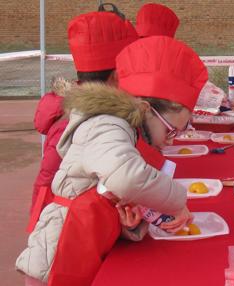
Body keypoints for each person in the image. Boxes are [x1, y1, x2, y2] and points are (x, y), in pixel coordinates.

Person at [16, 36, 208, 286]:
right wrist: (177, 201)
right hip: (58, 252)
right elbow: (127, 177)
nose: (172, 140)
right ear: (147, 109)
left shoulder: (124, 130)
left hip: (85, 243)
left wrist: (129, 226)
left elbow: (106, 190)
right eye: (172, 130)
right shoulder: (108, 124)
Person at [28, 8, 139, 229]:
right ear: (117, 77)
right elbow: (53, 184)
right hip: (65, 223)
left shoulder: (83, 111)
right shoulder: (79, 121)